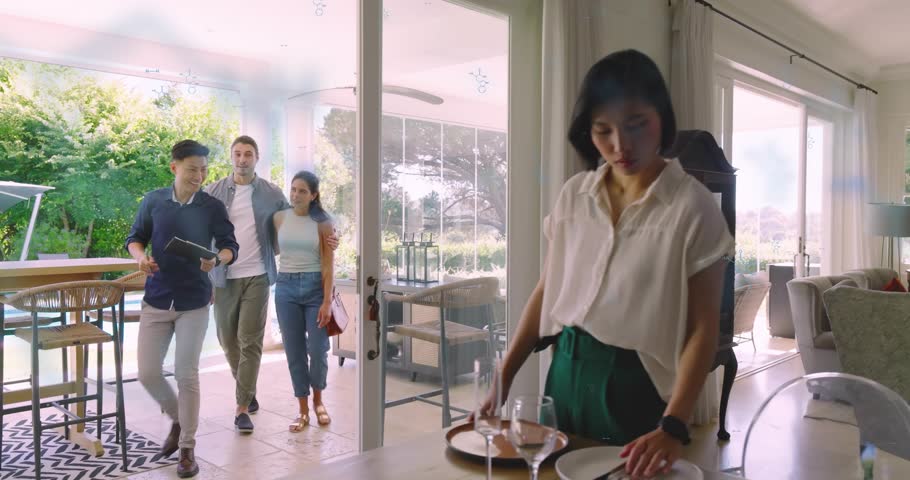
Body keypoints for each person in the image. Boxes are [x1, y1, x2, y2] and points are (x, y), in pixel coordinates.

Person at [484, 50, 733, 479]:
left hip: (636, 387)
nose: (621, 145)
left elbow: (702, 328)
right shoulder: (574, 196)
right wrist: (503, 377)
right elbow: (547, 290)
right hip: (564, 374)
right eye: (603, 130)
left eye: (637, 124)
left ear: (662, 116)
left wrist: (674, 424)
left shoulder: (692, 206)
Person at [126, 139, 238, 479]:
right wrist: (141, 258)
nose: (199, 176)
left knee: (187, 374)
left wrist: (217, 259)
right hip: (156, 299)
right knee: (147, 373)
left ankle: (187, 447)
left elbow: (231, 245)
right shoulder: (153, 201)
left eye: (203, 170)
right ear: (174, 167)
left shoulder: (211, 206)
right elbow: (135, 238)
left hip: (194, 302)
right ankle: (178, 418)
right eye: (192, 169)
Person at [272, 171, 336, 432]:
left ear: (314, 195)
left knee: (319, 349)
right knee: (294, 351)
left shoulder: (323, 223)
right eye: (293, 189)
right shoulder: (278, 218)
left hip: (314, 289)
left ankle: (319, 402)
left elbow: (328, 265)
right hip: (285, 287)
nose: (296, 195)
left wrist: (327, 301)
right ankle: (302, 409)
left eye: (302, 191)